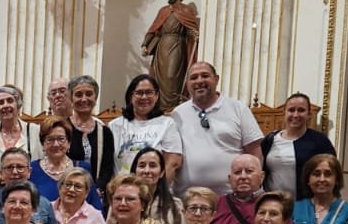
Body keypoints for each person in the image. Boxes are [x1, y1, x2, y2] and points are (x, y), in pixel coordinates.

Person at [170, 61, 262, 194]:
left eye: (205, 75)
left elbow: (254, 153)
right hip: (188, 198)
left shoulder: (238, 108)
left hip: (231, 198)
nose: (199, 81)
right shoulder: (177, 114)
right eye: (194, 77)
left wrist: (254, 189)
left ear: (216, 79)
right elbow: (171, 157)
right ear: (187, 83)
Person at [212, 153, 292, 224]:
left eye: (249, 171)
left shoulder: (276, 204)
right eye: (237, 172)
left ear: (262, 176)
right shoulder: (217, 204)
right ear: (230, 178)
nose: (243, 176)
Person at [109, 74, 183, 184]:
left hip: (153, 190)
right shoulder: (115, 125)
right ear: (130, 96)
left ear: (157, 96)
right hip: (122, 189)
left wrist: (156, 191)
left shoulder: (167, 124)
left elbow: (172, 163)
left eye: (149, 92)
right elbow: (108, 163)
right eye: (139, 93)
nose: (144, 97)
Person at [261, 93, 336, 200]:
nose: (295, 115)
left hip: (306, 205)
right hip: (273, 204)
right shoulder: (270, 139)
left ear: (309, 114)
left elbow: (332, 172)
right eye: (291, 110)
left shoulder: (320, 141)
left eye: (301, 110)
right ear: (284, 113)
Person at [140, 0, 200, 109]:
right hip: (162, 48)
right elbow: (154, 29)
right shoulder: (163, 11)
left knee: (171, 76)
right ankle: (159, 106)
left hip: (177, 46)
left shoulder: (185, 10)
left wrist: (194, 33)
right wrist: (145, 44)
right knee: (158, 79)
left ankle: (172, 106)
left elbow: (189, 28)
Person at [0, 148, 57, 224]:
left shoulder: (44, 203)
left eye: (20, 167)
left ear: (29, 172)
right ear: (1, 173)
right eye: (9, 167)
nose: (15, 172)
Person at [32, 119, 104, 211]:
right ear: (43, 144)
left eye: (61, 139)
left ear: (69, 143)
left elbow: (95, 207)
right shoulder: (32, 169)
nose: (56, 144)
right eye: (50, 139)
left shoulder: (82, 168)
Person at [66, 76, 117, 191]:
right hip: (66, 190)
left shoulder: (105, 132)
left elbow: (107, 168)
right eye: (78, 95)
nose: (84, 99)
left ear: (95, 97)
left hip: (95, 193)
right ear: (71, 99)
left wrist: (97, 190)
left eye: (89, 94)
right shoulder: (61, 128)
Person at [132, 147, 184, 224]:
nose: (147, 171)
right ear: (135, 171)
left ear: (162, 173)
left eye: (152, 166)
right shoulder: (121, 202)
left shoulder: (175, 205)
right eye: (142, 166)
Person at [0, 85, 39, 168]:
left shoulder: (35, 131)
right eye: (1, 102)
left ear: (18, 105)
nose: (5, 105)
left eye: (10, 101)